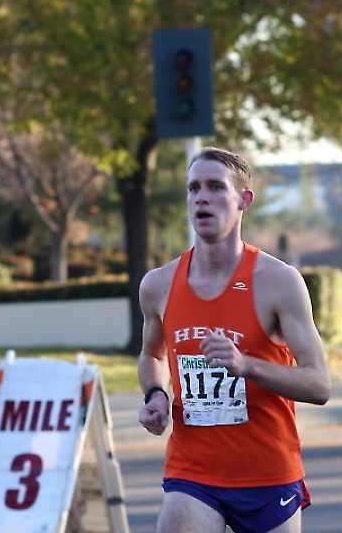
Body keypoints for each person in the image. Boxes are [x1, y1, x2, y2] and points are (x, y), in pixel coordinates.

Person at [138, 147, 331, 533]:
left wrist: (246, 366)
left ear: (244, 200)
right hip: (192, 471)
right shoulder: (158, 284)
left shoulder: (279, 281)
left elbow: (319, 384)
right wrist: (155, 395)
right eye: (193, 188)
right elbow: (152, 355)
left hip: (267, 473)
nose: (201, 198)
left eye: (215, 187)